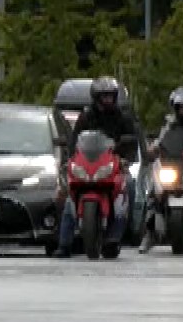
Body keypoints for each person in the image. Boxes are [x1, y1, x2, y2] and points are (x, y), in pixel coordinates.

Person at [56, 76, 142, 258]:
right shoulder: (86, 117)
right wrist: (70, 157)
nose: (108, 100)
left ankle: (126, 232)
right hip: (89, 164)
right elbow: (75, 140)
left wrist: (127, 159)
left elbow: (132, 141)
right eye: (104, 96)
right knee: (70, 196)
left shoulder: (123, 118)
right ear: (96, 97)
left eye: (111, 96)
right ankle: (64, 244)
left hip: (114, 164)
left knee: (130, 186)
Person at [138, 86, 183, 252]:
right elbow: (160, 140)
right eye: (182, 107)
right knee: (153, 194)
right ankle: (149, 233)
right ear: (176, 107)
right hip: (170, 163)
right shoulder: (170, 123)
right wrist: (153, 149)